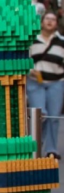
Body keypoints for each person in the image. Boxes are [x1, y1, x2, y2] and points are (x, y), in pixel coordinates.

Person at [28, 9, 64, 158]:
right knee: (41, 114)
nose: (49, 21)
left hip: (56, 82)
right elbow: (25, 59)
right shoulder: (32, 41)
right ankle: (35, 147)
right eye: (47, 19)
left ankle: (51, 150)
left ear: (56, 24)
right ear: (42, 22)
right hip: (35, 83)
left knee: (54, 117)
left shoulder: (61, 42)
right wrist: (29, 70)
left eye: (53, 19)